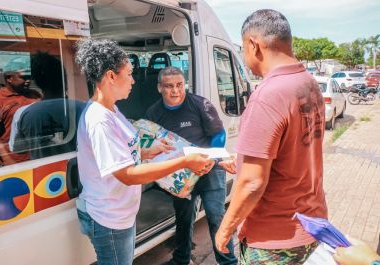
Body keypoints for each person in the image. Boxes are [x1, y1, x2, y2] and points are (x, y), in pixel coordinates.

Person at [74, 38, 214, 265]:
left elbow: (122, 153)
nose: (133, 80)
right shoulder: (100, 120)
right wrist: (184, 162)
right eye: (129, 74)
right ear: (111, 76)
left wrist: (147, 151)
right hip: (110, 219)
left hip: (120, 214)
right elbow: (127, 175)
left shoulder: (112, 109)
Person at [215, 9, 327, 264]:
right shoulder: (307, 82)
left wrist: (225, 229)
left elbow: (252, 184)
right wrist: (243, 161)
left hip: (274, 241)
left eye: (243, 49)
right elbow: (294, 148)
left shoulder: (267, 95)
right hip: (312, 225)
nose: (245, 58)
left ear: (254, 45)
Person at [146, 66, 237, 265]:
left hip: (210, 170)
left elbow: (219, 134)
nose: (176, 91)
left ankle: (228, 261)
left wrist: (209, 160)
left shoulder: (200, 104)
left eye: (179, 85)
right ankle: (182, 259)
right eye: (169, 86)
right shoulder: (153, 112)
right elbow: (154, 146)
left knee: (217, 218)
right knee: (184, 219)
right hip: (181, 176)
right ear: (159, 87)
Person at [9, 52, 86, 159]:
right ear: (64, 79)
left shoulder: (23, 113)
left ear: (36, 82)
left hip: (44, 174)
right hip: (78, 172)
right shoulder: (84, 108)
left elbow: (18, 149)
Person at [0, 70, 41, 165]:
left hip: (40, 154)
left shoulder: (34, 95)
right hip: (15, 159)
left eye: (29, 77)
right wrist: (6, 158)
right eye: (23, 78)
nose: (28, 81)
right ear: (9, 79)